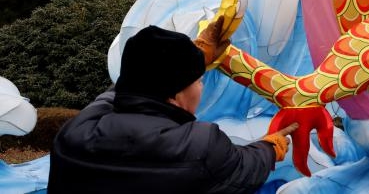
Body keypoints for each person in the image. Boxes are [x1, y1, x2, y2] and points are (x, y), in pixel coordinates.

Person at [48, 22, 298, 194]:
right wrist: (270, 147)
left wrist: (193, 59)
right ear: (176, 94)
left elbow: (122, 88)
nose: (201, 87)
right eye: (199, 81)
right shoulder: (200, 145)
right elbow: (245, 166)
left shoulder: (75, 132)